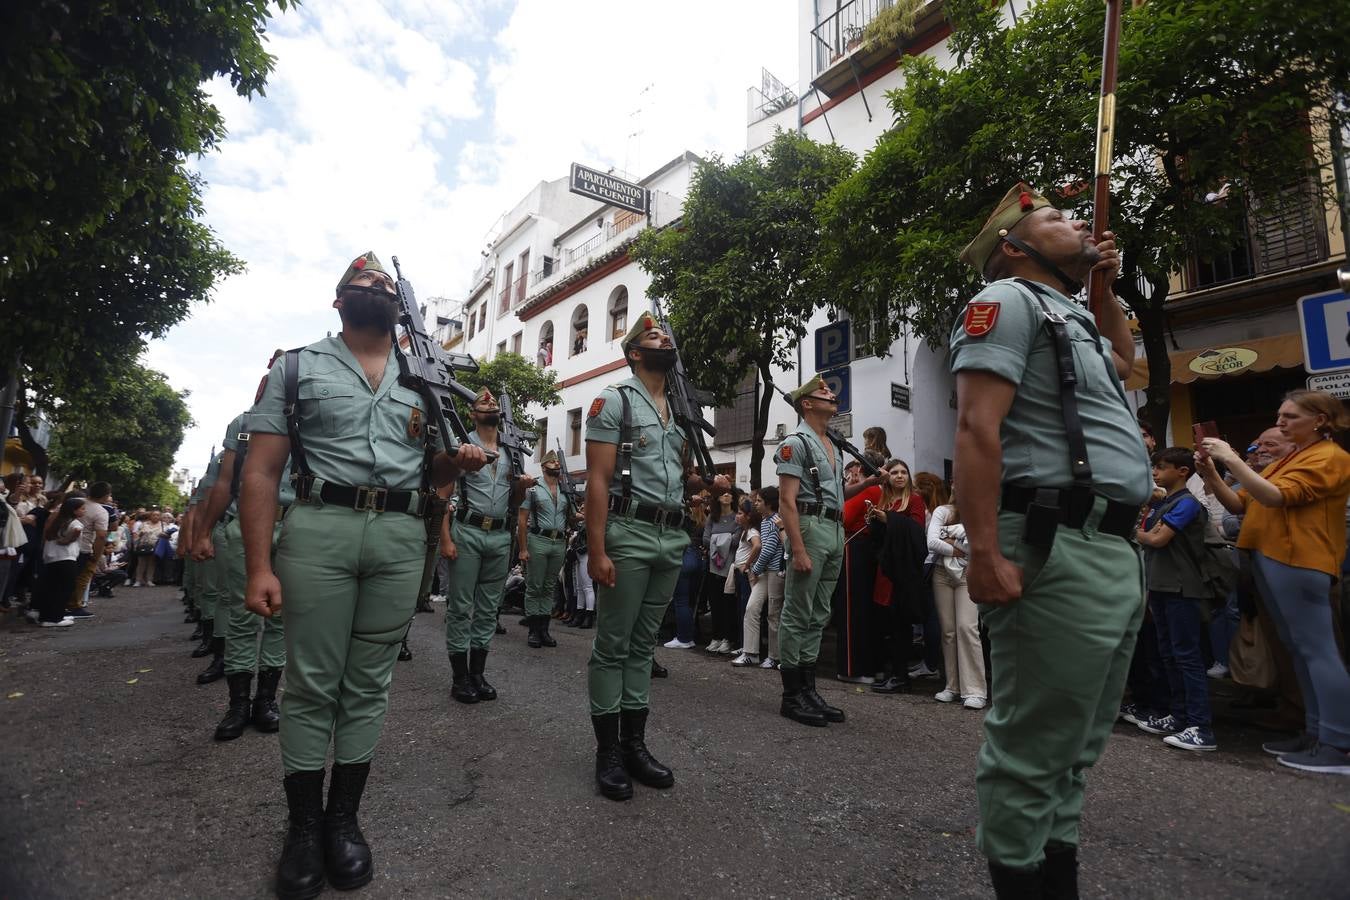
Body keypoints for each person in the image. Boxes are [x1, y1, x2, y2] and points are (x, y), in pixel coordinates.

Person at [240, 251, 488, 897]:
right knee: (312, 682)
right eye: (362, 281)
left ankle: (343, 820)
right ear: (339, 300)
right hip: (320, 529)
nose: (374, 287)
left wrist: (456, 464)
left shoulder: (425, 380)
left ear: (400, 304)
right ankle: (302, 826)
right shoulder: (297, 367)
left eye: (383, 282)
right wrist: (259, 565)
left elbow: (430, 472)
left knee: (369, 684)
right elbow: (262, 471)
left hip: (400, 538)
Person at [951, 182, 1148, 897]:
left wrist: (1105, 290)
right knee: (1033, 750)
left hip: (1109, 548)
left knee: (1074, 749)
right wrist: (983, 553)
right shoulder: (1007, 303)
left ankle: (1054, 879)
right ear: (1015, 246)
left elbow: (1126, 366)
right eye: (1058, 219)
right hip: (1053, 545)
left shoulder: (1076, 317)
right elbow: (977, 427)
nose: (1077, 223)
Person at [583, 313, 727, 801]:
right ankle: (608, 753)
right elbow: (598, 480)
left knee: (645, 646)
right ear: (635, 353)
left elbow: (676, 473)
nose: (665, 338)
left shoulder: (681, 411)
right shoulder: (614, 402)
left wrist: (705, 483)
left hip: (670, 535)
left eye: (667, 333)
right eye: (652, 336)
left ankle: (634, 744)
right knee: (614, 644)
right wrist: (596, 548)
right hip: (626, 532)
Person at [1198, 389, 1350, 775]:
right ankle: (1316, 732)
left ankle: (1338, 743)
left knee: (1318, 651)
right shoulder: (1296, 456)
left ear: (1320, 420)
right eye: (1280, 414)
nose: (1281, 422)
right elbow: (1240, 504)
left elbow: (1278, 497)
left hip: (1300, 558)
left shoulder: (1330, 457)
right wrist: (1213, 474)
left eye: (1291, 417)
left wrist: (1232, 458)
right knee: (1300, 650)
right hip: (1273, 557)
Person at [775, 374, 876, 727]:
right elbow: (787, 501)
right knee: (798, 611)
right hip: (810, 529)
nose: (831, 394)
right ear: (806, 403)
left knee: (818, 614)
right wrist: (798, 548)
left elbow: (834, 496)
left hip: (833, 529)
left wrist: (866, 484)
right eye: (823, 392)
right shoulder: (796, 442)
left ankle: (808, 688)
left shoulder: (832, 443)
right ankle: (792, 695)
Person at [444, 388, 532, 703]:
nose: (490, 404)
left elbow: (516, 500)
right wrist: (445, 537)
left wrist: (521, 488)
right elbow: (444, 490)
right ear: (472, 413)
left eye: (493, 402)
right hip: (467, 530)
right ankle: (459, 677)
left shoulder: (511, 449)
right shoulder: (462, 445)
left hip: (499, 535)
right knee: (460, 606)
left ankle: (477, 672)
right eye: (484, 403)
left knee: (488, 608)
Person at [1135, 447, 1217, 751]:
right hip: (1160, 585)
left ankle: (1201, 726)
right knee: (1168, 654)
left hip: (1182, 588)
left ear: (1182, 471)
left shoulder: (1187, 503)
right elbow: (1151, 533)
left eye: (1161, 467)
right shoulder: (1165, 502)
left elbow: (1156, 538)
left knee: (1187, 657)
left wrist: (1135, 532)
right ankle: (1179, 716)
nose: (1155, 473)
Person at [866, 458, 929, 695]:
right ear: (888, 477)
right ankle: (893, 673)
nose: (900, 476)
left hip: (903, 574)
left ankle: (901, 677)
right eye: (894, 472)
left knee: (901, 627)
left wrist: (888, 519)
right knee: (889, 626)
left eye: (904, 472)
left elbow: (916, 533)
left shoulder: (914, 500)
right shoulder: (885, 501)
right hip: (885, 573)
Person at [926, 485, 986, 708]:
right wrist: (960, 543)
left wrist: (949, 535)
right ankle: (952, 686)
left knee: (967, 627)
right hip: (942, 574)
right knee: (948, 631)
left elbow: (980, 546)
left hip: (968, 574)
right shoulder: (943, 510)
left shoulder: (981, 511)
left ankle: (976, 690)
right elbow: (931, 542)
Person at [518, 450, 567, 650]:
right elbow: (522, 520)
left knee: (548, 587)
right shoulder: (533, 488)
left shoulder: (566, 490)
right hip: (538, 539)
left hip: (559, 542)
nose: (556, 464)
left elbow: (570, 517)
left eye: (557, 461)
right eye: (552, 462)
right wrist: (522, 549)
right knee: (534, 586)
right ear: (543, 466)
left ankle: (544, 629)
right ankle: (533, 630)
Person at [736, 486, 785, 668]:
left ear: (768, 503)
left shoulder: (774, 521)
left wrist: (754, 569)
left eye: (759, 501)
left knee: (774, 614)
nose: (755, 504)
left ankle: (775, 656)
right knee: (752, 609)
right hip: (765, 571)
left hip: (773, 573)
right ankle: (750, 653)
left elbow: (769, 550)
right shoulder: (766, 521)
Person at [35, 497, 85, 627]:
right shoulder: (75, 523)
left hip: (51, 558)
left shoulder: (56, 521)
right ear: (74, 511)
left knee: (51, 588)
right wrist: (67, 540)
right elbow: (77, 531)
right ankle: (55, 618)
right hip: (66, 558)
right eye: (82, 508)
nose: (84, 511)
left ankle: (46, 616)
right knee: (64, 589)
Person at [702, 489, 741, 654]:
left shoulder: (736, 517)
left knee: (728, 603)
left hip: (730, 567)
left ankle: (728, 638)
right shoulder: (712, 517)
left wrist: (716, 541)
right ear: (717, 498)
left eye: (729, 493)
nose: (726, 495)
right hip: (713, 566)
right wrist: (725, 538)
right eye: (722, 493)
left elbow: (736, 540)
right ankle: (716, 637)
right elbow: (705, 539)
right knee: (715, 603)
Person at [67, 481, 112, 618]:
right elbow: (101, 535)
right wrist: (96, 556)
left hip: (64, 545)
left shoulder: (73, 501)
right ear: (105, 496)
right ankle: (74, 606)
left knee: (64, 577)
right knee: (81, 578)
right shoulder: (101, 511)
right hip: (84, 547)